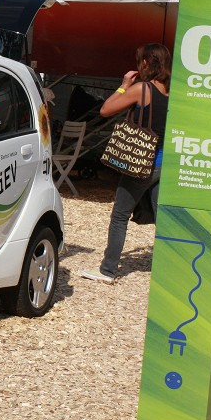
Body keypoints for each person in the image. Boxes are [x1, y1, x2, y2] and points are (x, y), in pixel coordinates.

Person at [81, 43, 171, 284]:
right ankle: (172, 267)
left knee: (120, 216)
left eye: (140, 60)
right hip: (162, 163)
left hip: (140, 163)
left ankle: (107, 270)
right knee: (163, 219)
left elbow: (105, 110)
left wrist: (123, 87)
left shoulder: (142, 89)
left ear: (147, 63)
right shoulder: (169, 92)